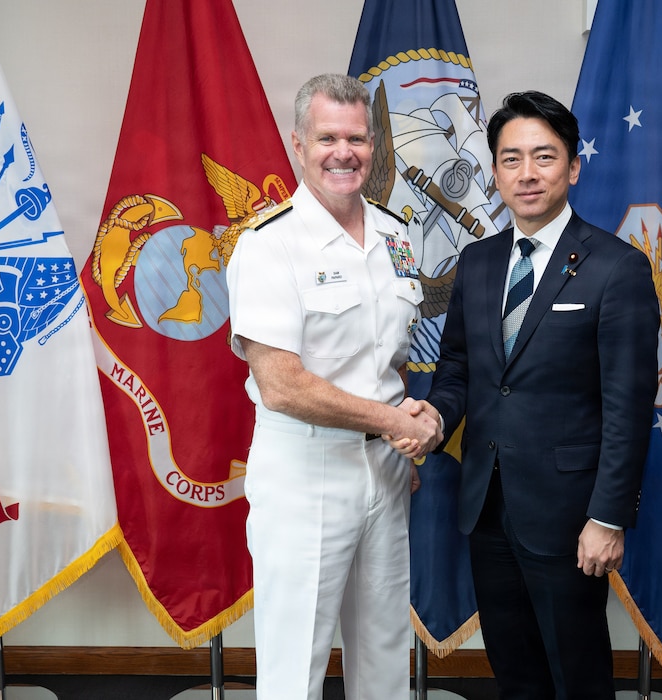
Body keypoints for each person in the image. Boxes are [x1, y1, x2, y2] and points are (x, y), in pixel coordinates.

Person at [396, 91, 659, 699]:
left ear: (572, 167)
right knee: (514, 669)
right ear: (494, 172)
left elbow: (628, 405)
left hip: (570, 513)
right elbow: (458, 366)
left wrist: (607, 517)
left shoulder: (616, 268)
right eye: (511, 159)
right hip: (486, 503)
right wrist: (435, 413)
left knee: (578, 673)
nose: (527, 173)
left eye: (544, 157)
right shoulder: (480, 262)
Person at [226, 73, 441, 700]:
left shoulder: (396, 236)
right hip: (306, 470)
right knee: (296, 668)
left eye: (356, 138)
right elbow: (282, 386)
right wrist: (395, 421)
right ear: (298, 144)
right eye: (327, 138)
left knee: (382, 657)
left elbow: (389, 358)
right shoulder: (269, 246)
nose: (343, 153)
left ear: (373, 145)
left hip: (385, 470)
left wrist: (404, 424)